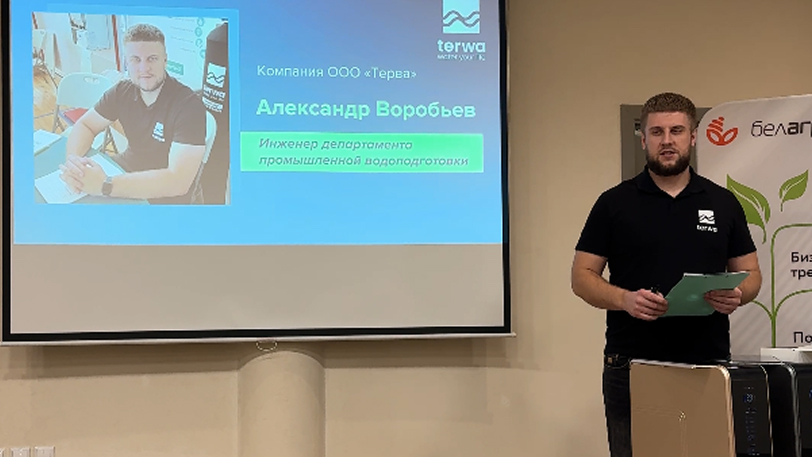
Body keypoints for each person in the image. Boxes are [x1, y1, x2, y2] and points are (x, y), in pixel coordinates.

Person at [570, 92, 762, 457]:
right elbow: (582, 276)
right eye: (657, 132)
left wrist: (738, 295)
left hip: (706, 363)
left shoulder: (722, 202)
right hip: (632, 364)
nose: (667, 140)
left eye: (677, 131)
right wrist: (624, 299)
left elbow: (751, 273)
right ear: (643, 139)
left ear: (693, 136)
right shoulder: (614, 203)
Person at [59, 23, 207, 204]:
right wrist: (74, 165)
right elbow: (86, 125)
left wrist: (105, 185)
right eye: (136, 59)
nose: (144, 68)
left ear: (165, 60)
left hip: (164, 196)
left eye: (152, 59)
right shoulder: (122, 91)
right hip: (124, 171)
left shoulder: (189, 106)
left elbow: (178, 181)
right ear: (127, 62)